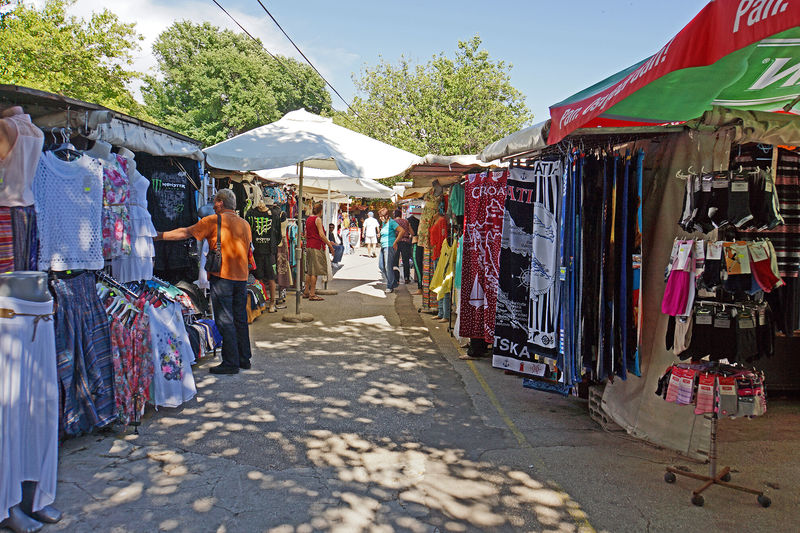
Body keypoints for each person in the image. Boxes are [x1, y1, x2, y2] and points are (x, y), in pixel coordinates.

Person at [157, 189, 252, 374]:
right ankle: (244, 358)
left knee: (225, 320)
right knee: (240, 317)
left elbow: (186, 233)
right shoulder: (244, 224)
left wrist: (160, 235)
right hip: (241, 276)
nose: (213, 204)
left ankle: (231, 362)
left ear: (220, 203)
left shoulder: (213, 221)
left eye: (215, 201)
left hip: (223, 276)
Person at [245, 196, 285, 313]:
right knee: (264, 278)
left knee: (265, 278)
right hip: (262, 252)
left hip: (263, 251)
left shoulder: (270, 214)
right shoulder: (255, 214)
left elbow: (277, 233)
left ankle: (267, 303)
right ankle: (265, 303)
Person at [303, 203, 335, 301]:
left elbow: (305, 234)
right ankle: (312, 294)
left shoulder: (308, 219)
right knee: (315, 272)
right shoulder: (317, 220)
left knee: (309, 271)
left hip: (309, 245)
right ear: (321, 211)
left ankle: (306, 292)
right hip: (316, 246)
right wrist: (330, 246)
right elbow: (321, 234)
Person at [377, 207, 406, 293]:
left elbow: (402, 231)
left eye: (381, 216)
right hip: (383, 246)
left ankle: (389, 286)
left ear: (386, 216)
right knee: (381, 266)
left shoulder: (392, 222)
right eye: (379, 216)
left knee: (387, 266)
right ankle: (393, 282)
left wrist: (395, 242)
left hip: (389, 246)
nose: (380, 218)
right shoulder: (384, 223)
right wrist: (380, 234)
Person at [394, 209, 413, 284]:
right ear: (401, 214)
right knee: (406, 260)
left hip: (396, 242)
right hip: (405, 242)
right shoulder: (406, 221)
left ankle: (396, 278)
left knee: (395, 260)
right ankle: (407, 278)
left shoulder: (393, 222)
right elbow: (412, 232)